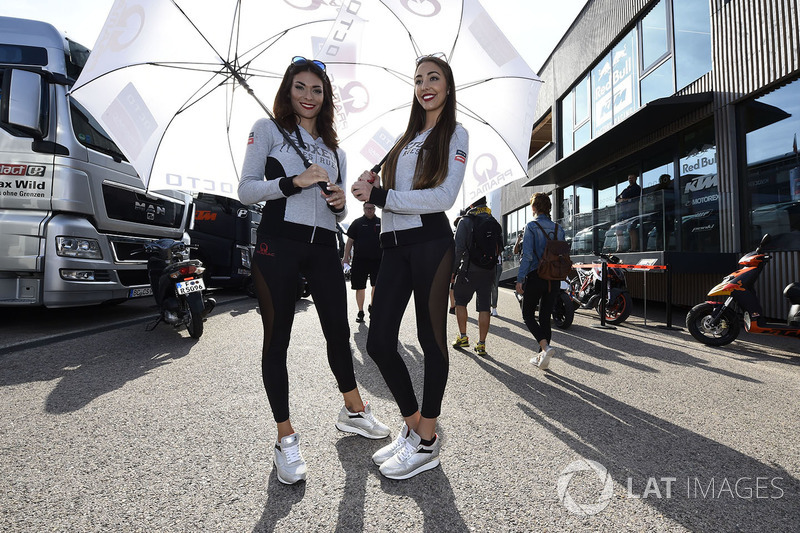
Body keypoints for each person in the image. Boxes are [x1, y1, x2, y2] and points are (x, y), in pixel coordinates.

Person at [239, 56, 389, 485]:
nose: (308, 96)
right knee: (278, 338)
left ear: (326, 98)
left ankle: (354, 410)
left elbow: (335, 216)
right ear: (289, 91)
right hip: (277, 244)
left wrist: (340, 205)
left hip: (324, 246)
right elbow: (247, 190)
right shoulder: (266, 130)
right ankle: (285, 439)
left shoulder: (336, 150)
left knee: (338, 334)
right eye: (300, 87)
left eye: (317, 89)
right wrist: (294, 182)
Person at [351, 54, 467, 480]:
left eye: (433, 78)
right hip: (392, 246)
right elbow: (390, 197)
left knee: (430, 339)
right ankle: (415, 427)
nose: (424, 85)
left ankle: (428, 439)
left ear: (447, 87)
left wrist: (383, 199)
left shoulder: (455, 134)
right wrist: (371, 188)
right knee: (379, 342)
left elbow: (443, 197)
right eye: (418, 79)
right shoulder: (400, 140)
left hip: (432, 244)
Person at [515, 192, 565, 371]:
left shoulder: (531, 226)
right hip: (554, 278)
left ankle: (545, 348)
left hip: (536, 275)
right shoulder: (559, 229)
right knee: (545, 316)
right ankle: (542, 356)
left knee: (527, 314)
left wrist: (520, 279)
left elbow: (527, 256)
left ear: (534, 207)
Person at [451, 197, 499, 357]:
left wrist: (453, 271)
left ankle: (463, 337)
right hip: (488, 271)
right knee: (484, 306)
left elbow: (458, 249)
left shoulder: (465, 221)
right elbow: (499, 247)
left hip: (468, 270)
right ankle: (481, 345)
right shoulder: (493, 221)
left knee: (460, 302)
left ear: (471, 204)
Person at [343, 203, 382, 323]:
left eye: (372, 208)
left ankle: (373, 306)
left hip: (378, 260)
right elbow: (349, 241)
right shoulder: (357, 223)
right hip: (360, 260)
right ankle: (360, 312)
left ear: (375, 209)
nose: (369, 210)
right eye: (367, 208)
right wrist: (345, 258)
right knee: (360, 286)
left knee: (377, 286)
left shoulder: (381, 222)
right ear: (364, 209)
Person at [615, 173, 642, 252]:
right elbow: (616, 198)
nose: (630, 179)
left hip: (632, 212)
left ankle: (633, 248)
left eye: (632, 178)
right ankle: (619, 248)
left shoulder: (637, 188)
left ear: (636, 178)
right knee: (618, 230)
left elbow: (630, 195)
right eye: (629, 178)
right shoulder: (626, 189)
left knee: (631, 229)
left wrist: (623, 198)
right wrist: (622, 198)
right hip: (624, 212)